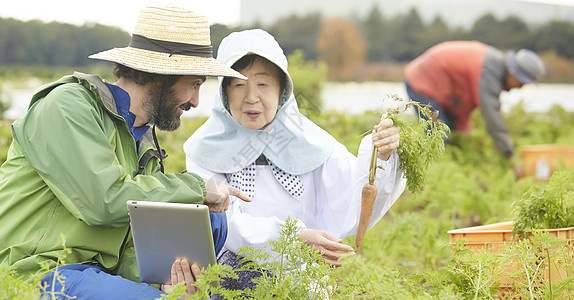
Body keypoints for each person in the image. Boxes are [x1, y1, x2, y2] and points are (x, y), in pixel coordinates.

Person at [0, 6, 251, 300]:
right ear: (161, 74)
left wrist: (162, 286)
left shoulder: (144, 143)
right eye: (194, 85)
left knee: (211, 223)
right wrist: (196, 187)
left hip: (92, 276)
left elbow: (130, 248)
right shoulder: (67, 106)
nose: (195, 101)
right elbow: (103, 201)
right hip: (31, 275)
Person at [183, 29, 406, 290]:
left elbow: (355, 199)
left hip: (300, 277)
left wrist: (381, 155)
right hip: (230, 278)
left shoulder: (311, 142)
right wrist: (292, 239)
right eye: (239, 85)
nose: (251, 97)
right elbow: (224, 225)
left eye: (263, 84)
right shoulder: (205, 147)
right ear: (224, 92)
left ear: (283, 91)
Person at [403, 41, 546, 178]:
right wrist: (510, 156)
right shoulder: (490, 70)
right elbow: (492, 117)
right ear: (512, 72)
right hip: (423, 81)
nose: (520, 87)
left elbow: (463, 104)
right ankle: (426, 183)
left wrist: (467, 133)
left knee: (457, 138)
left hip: (443, 89)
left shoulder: (493, 68)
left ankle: (451, 178)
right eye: (521, 82)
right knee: (439, 137)